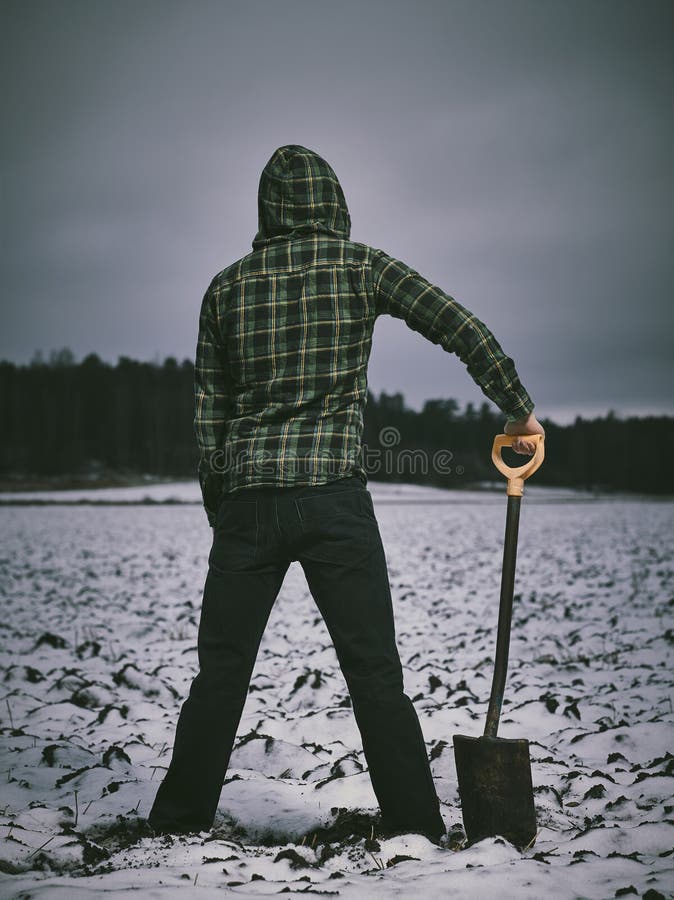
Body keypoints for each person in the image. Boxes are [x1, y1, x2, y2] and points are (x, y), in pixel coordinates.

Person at [147, 144, 545, 842]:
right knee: (373, 672)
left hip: (249, 501)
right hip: (335, 499)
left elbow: (211, 415)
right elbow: (459, 326)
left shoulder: (225, 288)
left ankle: (178, 823)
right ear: (334, 202)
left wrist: (224, 507)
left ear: (267, 208)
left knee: (221, 674)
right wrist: (516, 408)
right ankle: (415, 827)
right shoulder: (363, 266)